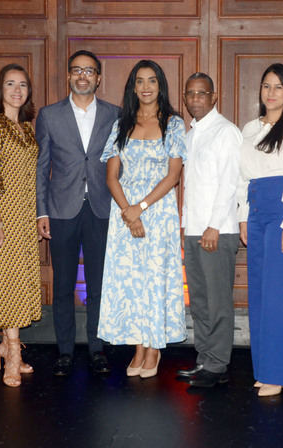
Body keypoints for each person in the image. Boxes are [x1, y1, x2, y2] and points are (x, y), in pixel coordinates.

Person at [97, 59, 187, 378]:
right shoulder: (121, 124)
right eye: (140, 81)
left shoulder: (173, 124)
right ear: (133, 87)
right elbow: (111, 177)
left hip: (158, 211)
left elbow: (174, 175)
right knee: (131, 282)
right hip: (124, 214)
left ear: (160, 86)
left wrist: (142, 207)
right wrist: (128, 211)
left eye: (152, 80)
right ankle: (137, 347)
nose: (146, 87)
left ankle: (154, 348)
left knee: (155, 278)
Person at [36, 50, 120, 376]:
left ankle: (98, 349)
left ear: (98, 78)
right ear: (68, 76)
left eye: (89, 71)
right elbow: (41, 168)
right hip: (61, 210)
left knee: (99, 285)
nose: (82, 76)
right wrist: (41, 212)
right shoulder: (49, 115)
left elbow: (121, 165)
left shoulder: (115, 114)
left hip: (102, 209)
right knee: (63, 286)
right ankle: (65, 351)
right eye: (76, 70)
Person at [237, 63, 283, 397]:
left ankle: (277, 375)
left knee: (279, 295)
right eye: (266, 86)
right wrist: (242, 215)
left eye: (278, 87)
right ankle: (263, 368)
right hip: (256, 210)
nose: (270, 92)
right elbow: (242, 176)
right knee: (259, 293)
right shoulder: (251, 128)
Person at [0, 64, 41, 387]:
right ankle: (13, 355)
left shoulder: (27, 129)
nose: (17, 90)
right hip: (2, 217)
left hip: (25, 218)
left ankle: (6, 342)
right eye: (10, 84)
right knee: (8, 283)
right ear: (0, 89)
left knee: (17, 281)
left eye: (23, 85)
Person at [178, 72, 241, 387]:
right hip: (194, 230)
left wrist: (214, 226)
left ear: (214, 97)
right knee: (200, 300)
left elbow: (230, 183)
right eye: (190, 94)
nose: (195, 99)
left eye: (201, 93)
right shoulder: (191, 134)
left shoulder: (225, 132)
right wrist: (186, 226)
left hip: (216, 230)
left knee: (217, 300)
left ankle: (217, 365)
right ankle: (205, 359)